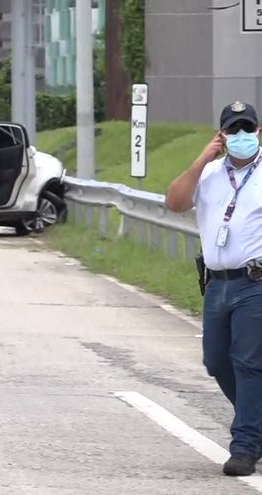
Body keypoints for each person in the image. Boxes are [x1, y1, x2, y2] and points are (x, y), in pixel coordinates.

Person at [165, 100, 262, 476]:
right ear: (221, 135)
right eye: (233, 129)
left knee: (248, 362)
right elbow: (175, 202)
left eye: (247, 128)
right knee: (216, 361)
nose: (241, 135)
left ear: (258, 132)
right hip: (218, 284)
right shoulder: (208, 173)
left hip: (255, 282)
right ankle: (255, 420)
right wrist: (201, 160)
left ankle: (245, 445)